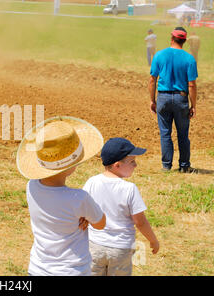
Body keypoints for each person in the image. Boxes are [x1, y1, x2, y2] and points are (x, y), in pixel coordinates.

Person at [16, 116, 106, 276]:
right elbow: (100, 223)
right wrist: (86, 216)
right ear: (71, 167)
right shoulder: (79, 198)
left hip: (38, 269)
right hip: (72, 271)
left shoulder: (31, 187)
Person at [83, 138, 160, 276]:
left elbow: (83, 211)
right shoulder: (129, 189)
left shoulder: (91, 182)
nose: (135, 165)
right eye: (132, 162)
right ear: (117, 165)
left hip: (94, 245)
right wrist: (153, 240)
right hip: (120, 249)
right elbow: (140, 222)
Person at [148, 27, 198, 173]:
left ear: (171, 38)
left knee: (165, 133)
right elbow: (192, 84)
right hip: (181, 98)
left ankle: (166, 166)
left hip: (162, 97)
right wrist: (193, 105)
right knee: (183, 134)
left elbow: (152, 80)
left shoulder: (159, 55)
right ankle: (184, 166)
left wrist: (152, 100)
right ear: (184, 41)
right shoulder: (189, 58)